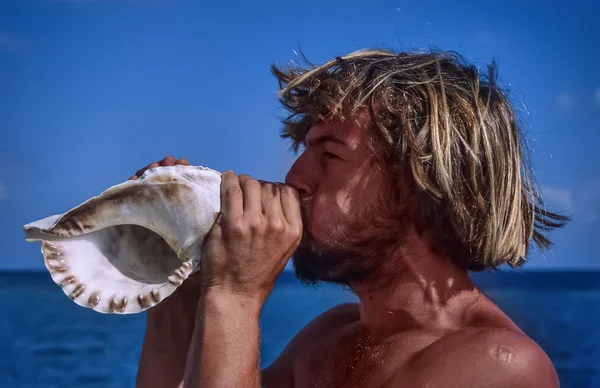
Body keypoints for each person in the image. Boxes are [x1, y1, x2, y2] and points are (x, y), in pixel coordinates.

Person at [133, 48, 569, 388]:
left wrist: (236, 295)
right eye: (304, 151)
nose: (294, 177)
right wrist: (180, 282)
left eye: (330, 155)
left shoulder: (499, 368)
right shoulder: (329, 337)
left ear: (420, 183)